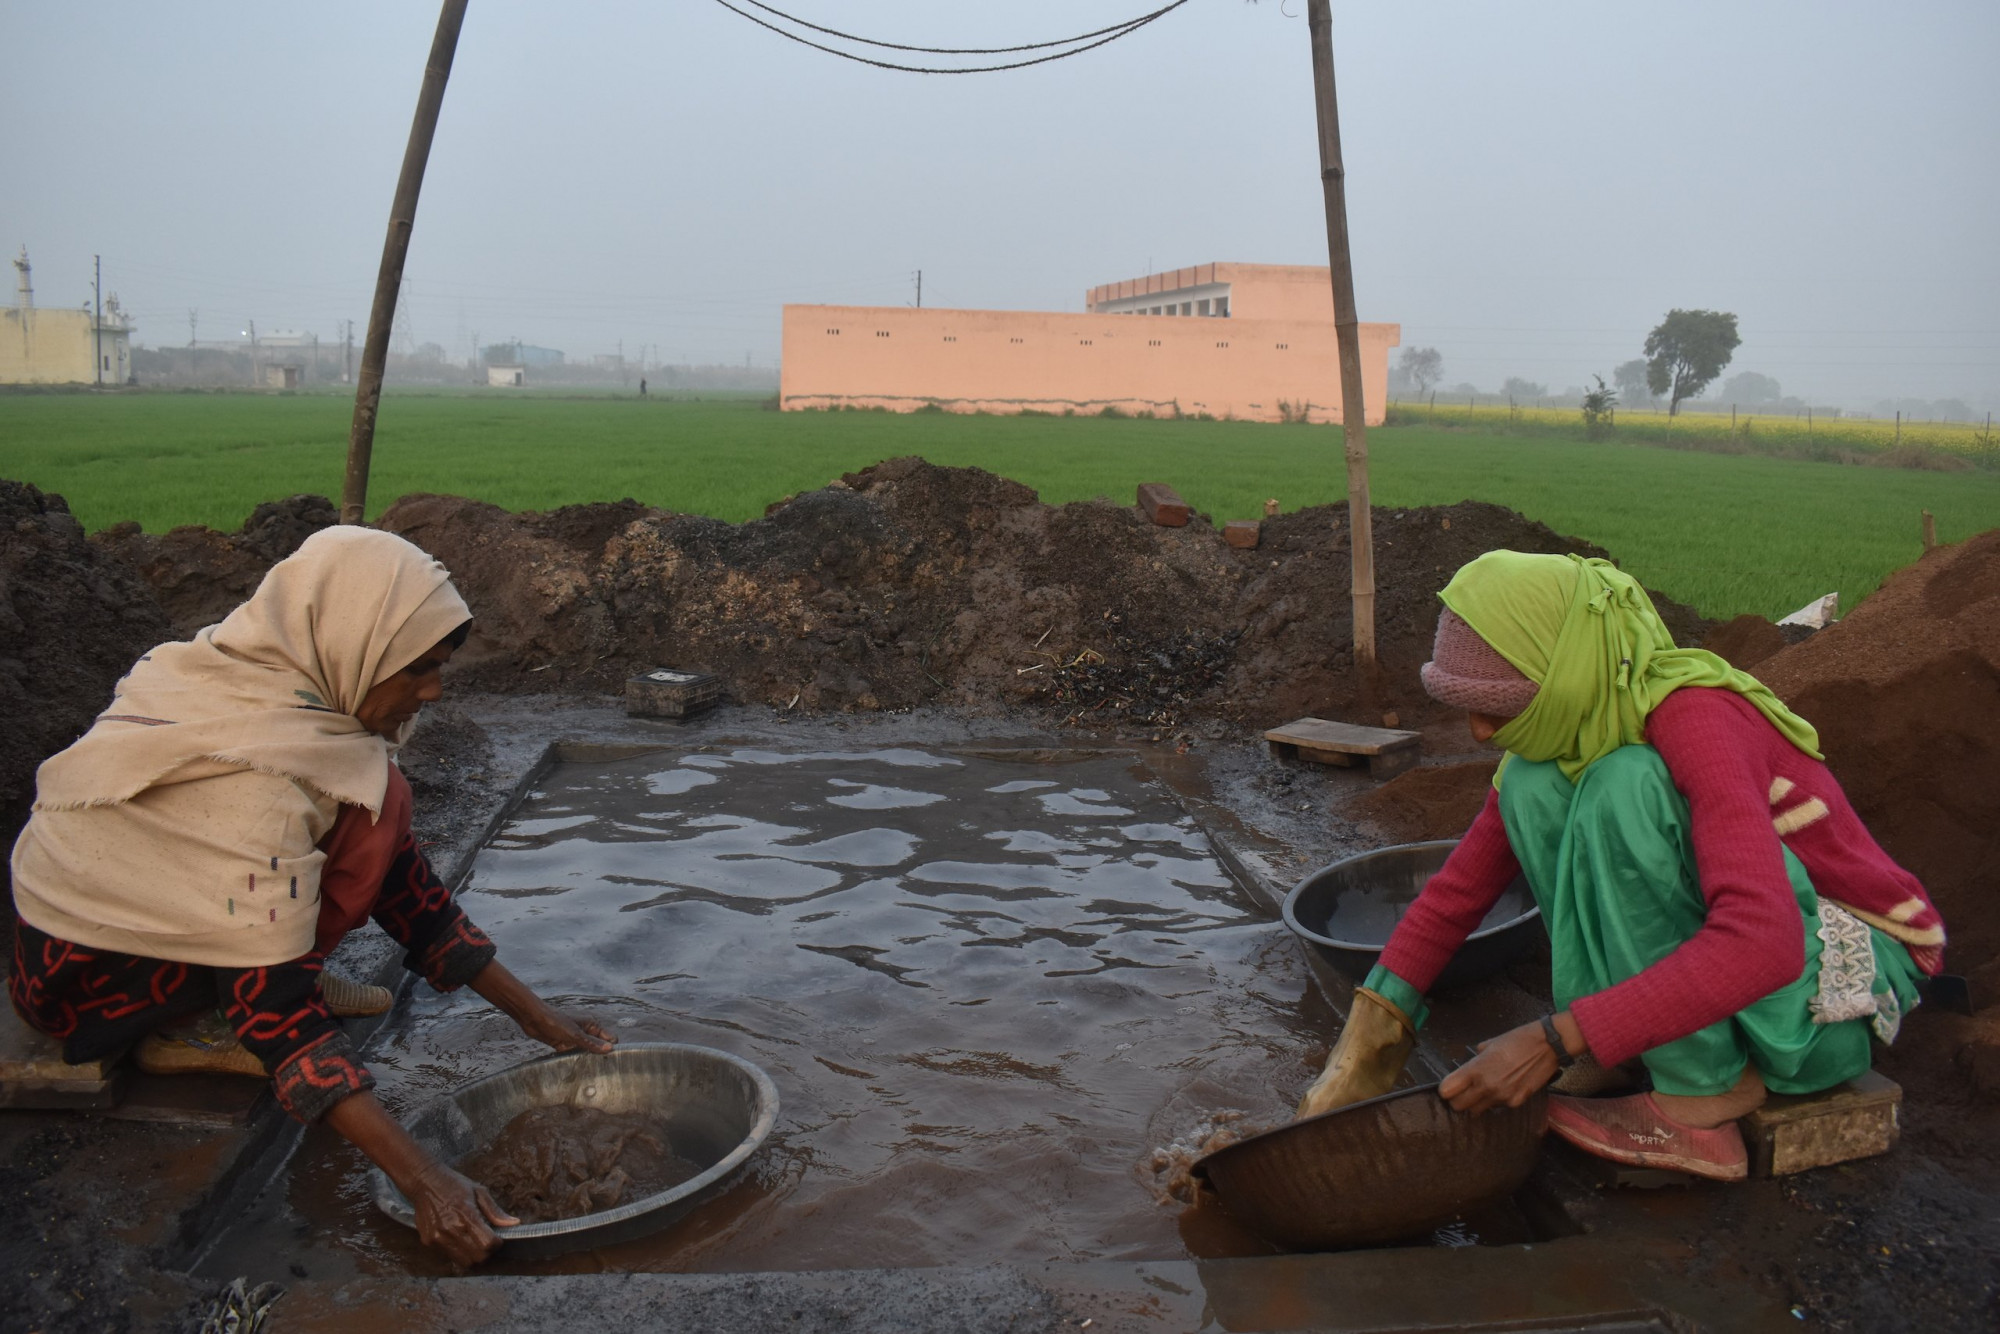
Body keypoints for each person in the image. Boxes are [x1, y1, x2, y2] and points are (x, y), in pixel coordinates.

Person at [8, 527, 614, 1264]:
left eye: (440, 668)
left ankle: (264, 957)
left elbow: (408, 891)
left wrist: (539, 1019)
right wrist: (426, 1178)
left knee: (377, 798)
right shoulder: (257, 784)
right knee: (281, 974)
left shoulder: (286, 702)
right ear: (351, 647)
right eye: (417, 671)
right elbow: (284, 1025)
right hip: (97, 978)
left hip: (171, 920)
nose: (433, 691)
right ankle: (195, 1025)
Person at [1296, 551, 1943, 1180]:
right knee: (1531, 785)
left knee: (1623, 786)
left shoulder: (1699, 718)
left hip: (1833, 989)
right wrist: (1367, 1044)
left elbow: (1765, 942)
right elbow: (1455, 894)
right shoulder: (1579, 722)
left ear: (1564, 669)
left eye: (1496, 705)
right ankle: (1636, 1043)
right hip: (1761, 966)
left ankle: (1698, 1099)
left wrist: (1554, 1039)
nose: (1479, 731)